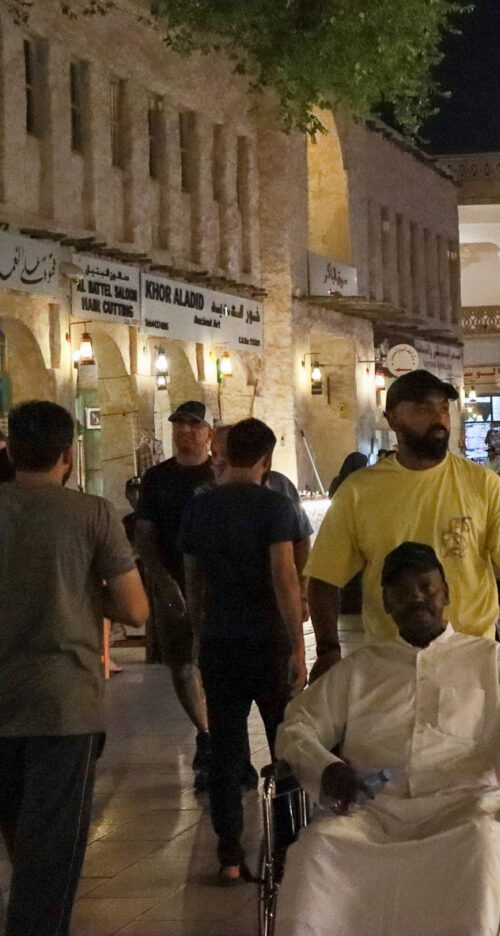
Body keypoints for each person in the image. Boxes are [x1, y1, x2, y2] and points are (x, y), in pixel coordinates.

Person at [275, 543, 500, 936]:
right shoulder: (361, 669)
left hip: (465, 810)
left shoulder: (489, 659)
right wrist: (326, 767)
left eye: (427, 586)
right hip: (373, 813)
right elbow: (295, 726)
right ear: (387, 604)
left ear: (447, 594)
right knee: (316, 848)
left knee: (484, 846)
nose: (417, 597)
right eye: (403, 591)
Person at [0, 401, 147, 936]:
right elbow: (135, 609)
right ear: (68, 454)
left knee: (18, 836)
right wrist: (84, 594)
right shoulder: (91, 514)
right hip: (64, 705)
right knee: (52, 853)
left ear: (11, 451)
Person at [303, 371, 500, 684]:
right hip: (391, 664)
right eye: (423, 409)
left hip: (472, 658)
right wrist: (327, 651)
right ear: (392, 418)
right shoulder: (359, 492)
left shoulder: (483, 486)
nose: (439, 419)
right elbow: (325, 578)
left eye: (443, 409)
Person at [179, 418, 307, 880]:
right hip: (268, 640)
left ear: (227, 454)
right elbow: (284, 577)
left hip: (220, 639)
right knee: (285, 743)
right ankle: (288, 847)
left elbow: (193, 582)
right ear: (266, 459)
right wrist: (298, 644)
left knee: (226, 748)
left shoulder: (200, 509)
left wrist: (199, 632)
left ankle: (230, 855)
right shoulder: (275, 506)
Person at [131, 399, 216, 787]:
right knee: (181, 664)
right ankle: (205, 734)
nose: (185, 431)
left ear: (209, 433)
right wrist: (160, 580)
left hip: (216, 585)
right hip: (172, 581)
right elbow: (145, 535)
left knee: (216, 664)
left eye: (194, 425)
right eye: (179, 424)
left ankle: (224, 737)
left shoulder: (220, 474)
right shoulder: (157, 479)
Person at [210, 422, 314, 575]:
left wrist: (302, 587)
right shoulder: (204, 497)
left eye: (225, 452)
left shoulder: (280, 487)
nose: (218, 460)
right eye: (214, 453)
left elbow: (301, 539)